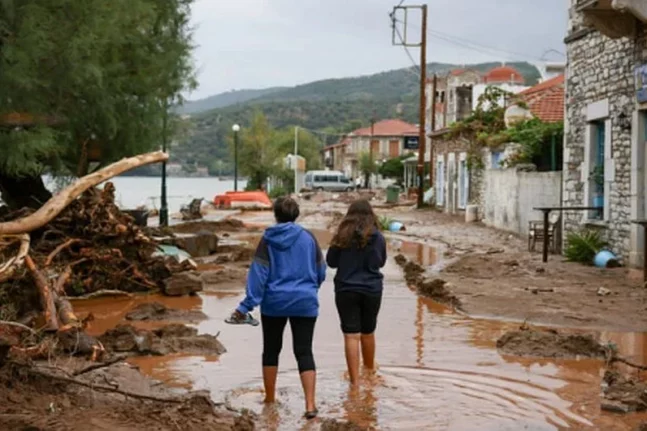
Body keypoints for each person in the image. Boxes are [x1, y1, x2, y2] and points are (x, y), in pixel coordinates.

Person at [227, 196, 326, 419]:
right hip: (305, 302)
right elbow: (321, 270)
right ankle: (310, 405)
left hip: (274, 303)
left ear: (276, 215)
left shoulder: (268, 239)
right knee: (304, 351)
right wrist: (310, 290)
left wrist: (246, 306)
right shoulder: (309, 238)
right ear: (296, 215)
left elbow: (258, 275)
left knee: (271, 350)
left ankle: (270, 399)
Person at [326, 199, 386, 387]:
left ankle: (354, 382)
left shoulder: (342, 236)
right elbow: (381, 262)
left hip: (346, 289)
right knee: (368, 332)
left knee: (351, 335)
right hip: (372, 290)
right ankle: (369, 372)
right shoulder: (378, 237)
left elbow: (331, 262)